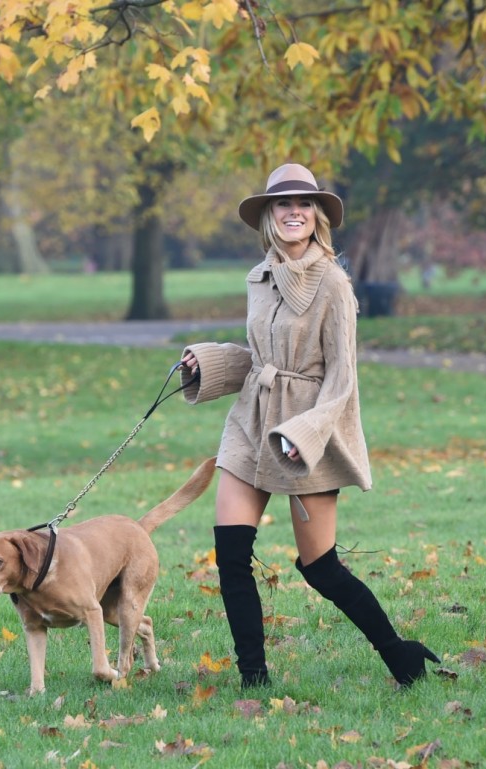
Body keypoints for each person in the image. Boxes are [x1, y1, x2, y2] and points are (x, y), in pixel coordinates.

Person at [179, 163, 440, 689]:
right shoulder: (259, 277)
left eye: (303, 203)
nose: (293, 211)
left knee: (320, 567)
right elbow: (260, 359)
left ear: (316, 215)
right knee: (231, 556)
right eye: (282, 204)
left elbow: (342, 380)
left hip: (304, 435)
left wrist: (305, 436)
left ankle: (399, 653)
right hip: (251, 424)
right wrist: (207, 364)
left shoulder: (334, 285)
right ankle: (253, 676)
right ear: (269, 217)